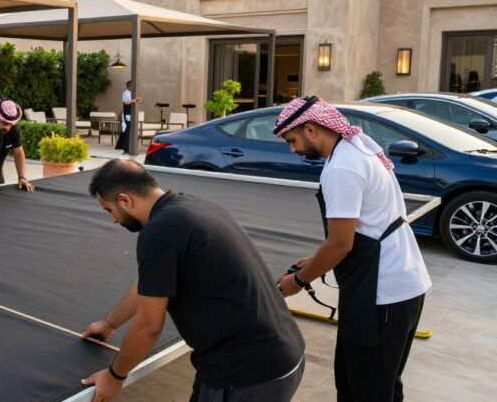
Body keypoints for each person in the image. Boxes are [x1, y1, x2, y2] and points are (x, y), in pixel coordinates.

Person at [80, 159, 305, 402]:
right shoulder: (192, 206)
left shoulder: (159, 232)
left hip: (249, 372)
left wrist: (115, 376)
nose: (113, 219)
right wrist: (109, 323)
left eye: (109, 210)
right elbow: (150, 284)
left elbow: (149, 327)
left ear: (125, 200)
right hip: (279, 351)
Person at [273, 96, 431, 402]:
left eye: (292, 140)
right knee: (379, 385)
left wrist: (299, 281)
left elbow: (341, 243)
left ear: (310, 128)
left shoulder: (342, 168)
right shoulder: (358, 148)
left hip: (381, 296)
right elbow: (363, 228)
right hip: (402, 286)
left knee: (364, 392)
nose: (293, 149)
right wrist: (317, 259)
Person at [114, 80, 141, 154]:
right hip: (127, 114)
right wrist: (135, 100)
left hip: (133, 114)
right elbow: (126, 102)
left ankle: (130, 148)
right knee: (127, 131)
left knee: (132, 132)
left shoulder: (133, 93)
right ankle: (125, 148)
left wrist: (136, 100)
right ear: (129, 85)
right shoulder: (125, 93)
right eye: (132, 85)